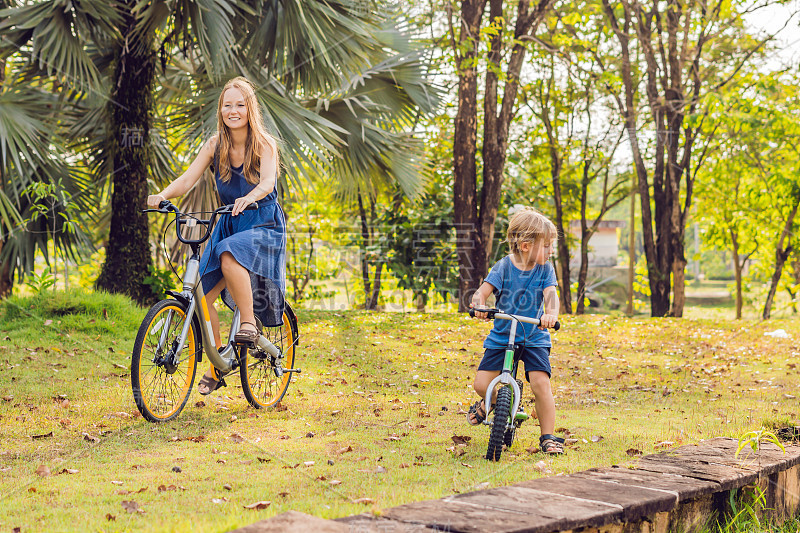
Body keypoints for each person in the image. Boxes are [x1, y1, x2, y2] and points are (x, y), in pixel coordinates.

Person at [146, 76, 286, 395]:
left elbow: (266, 183)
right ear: (220, 109)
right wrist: (162, 195)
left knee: (227, 254)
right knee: (200, 293)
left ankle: (248, 324)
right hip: (227, 222)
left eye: (240, 104)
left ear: (250, 108)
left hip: (261, 224)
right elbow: (186, 180)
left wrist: (250, 197)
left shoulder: (265, 143)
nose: (233, 111)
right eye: (227, 105)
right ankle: (219, 362)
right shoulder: (215, 145)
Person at [467, 207, 563, 454]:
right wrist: (479, 304)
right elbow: (483, 292)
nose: (550, 251)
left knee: (541, 384)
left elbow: (551, 295)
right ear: (525, 245)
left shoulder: (545, 270)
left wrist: (550, 315)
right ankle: (498, 403)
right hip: (502, 336)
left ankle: (548, 437)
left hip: (534, 336)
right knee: (481, 384)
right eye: (546, 246)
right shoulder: (503, 267)